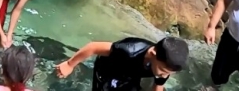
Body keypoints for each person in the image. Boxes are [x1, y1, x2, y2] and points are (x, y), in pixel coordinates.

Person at [55, 36, 190, 91]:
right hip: (108, 69)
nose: (163, 75)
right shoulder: (128, 50)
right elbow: (93, 47)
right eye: (163, 71)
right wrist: (70, 64)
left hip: (132, 74)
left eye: (167, 73)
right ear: (153, 54)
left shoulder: (164, 66)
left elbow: (159, 84)